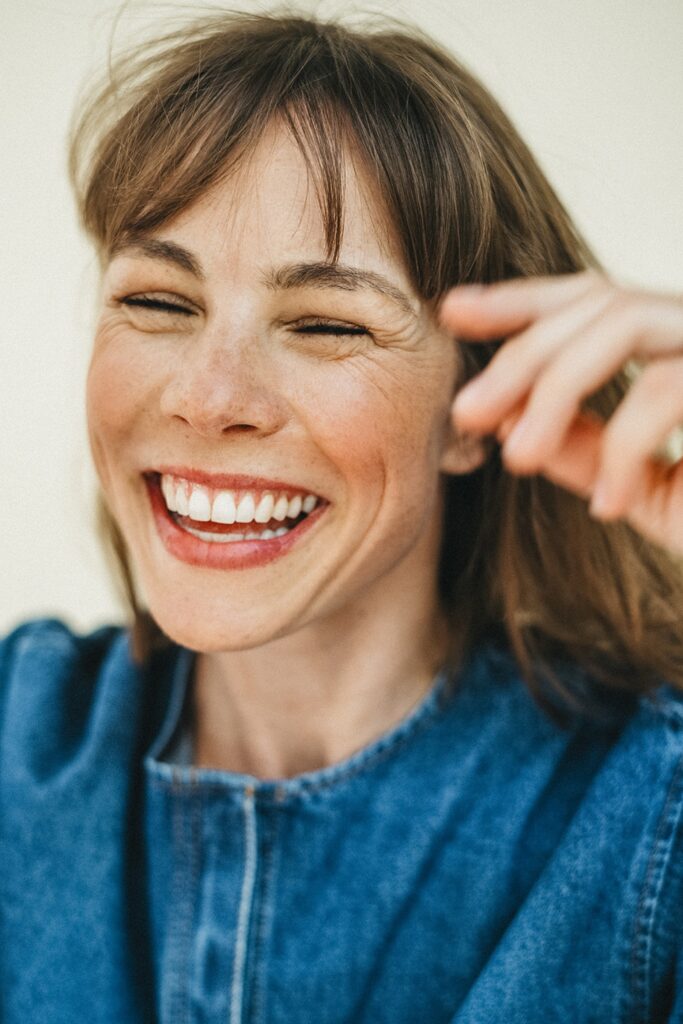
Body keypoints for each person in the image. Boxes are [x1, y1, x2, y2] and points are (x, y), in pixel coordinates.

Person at [1, 9, 682, 1023]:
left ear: (477, 407)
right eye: (158, 302)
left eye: (324, 323)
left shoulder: (650, 815)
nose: (208, 394)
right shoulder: (18, 735)